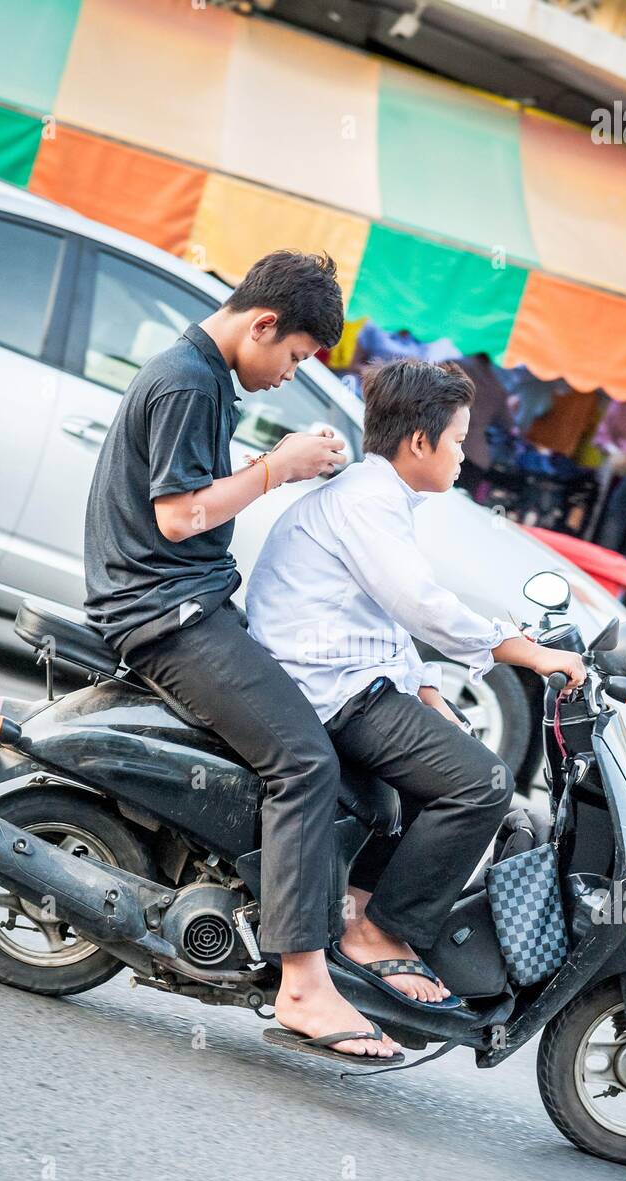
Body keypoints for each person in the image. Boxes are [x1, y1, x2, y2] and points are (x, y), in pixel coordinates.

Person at [84, 250, 404, 1063]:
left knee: (332, 751)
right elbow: (178, 518)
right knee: (303, 761)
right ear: (263, 324)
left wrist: (279, 468)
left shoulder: (199, 374)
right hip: (167, 616)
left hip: (188, 607)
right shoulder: (190, 378)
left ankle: (310, 923)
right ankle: (301, 983)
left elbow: (189, 494)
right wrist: (278, 466)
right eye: (294, 356)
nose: (288, 373)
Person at [246, 359, 586, 1017]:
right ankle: (379, 931)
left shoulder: (377, 498)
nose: (464, 454)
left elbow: (385, 619)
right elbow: (421, 605)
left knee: (441, 772)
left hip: (340, 678)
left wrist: (430, 691)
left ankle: (362, 913)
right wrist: (529, 652)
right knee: (480, 784)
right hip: (329, 690)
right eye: (457, 439)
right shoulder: (368, 502)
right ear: (419, 442)